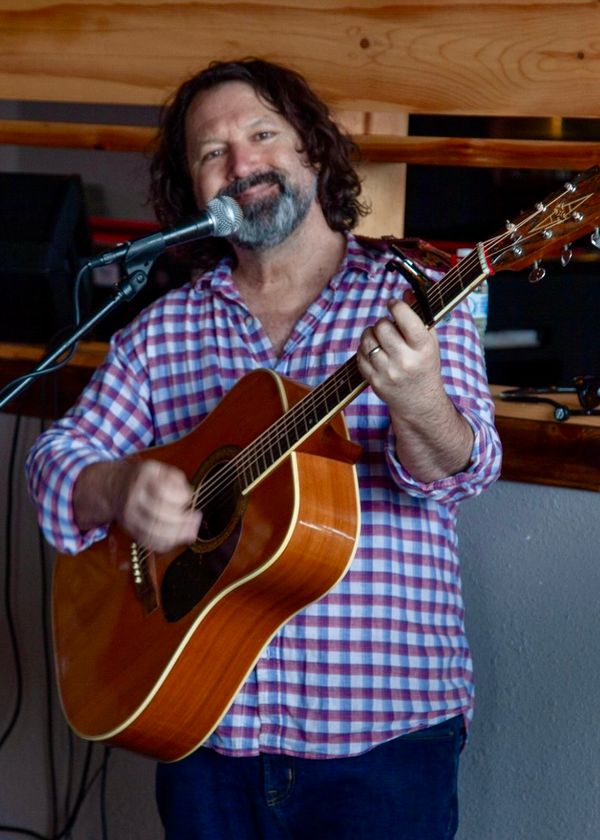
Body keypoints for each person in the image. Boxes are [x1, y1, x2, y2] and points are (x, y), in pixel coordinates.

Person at [25, 58, 502, 839]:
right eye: (212, 152)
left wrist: (420, 400)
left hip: (382, 740)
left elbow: (461, 472)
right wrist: (116, 488)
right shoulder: (164, 329)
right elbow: (57, 459)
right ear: (193, 190)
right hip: (207, 733)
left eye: (262, 134)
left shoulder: (411, 297)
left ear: (312, 147)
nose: (241, 163)